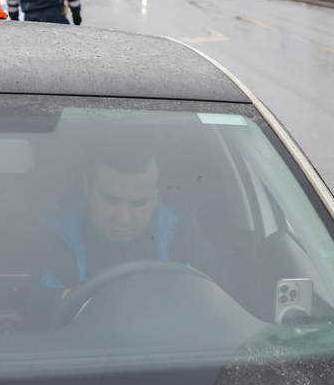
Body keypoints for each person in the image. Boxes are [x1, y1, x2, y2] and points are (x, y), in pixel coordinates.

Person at [31, 138, 219, 325]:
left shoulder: (183, 237)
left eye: (139, 203)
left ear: (158, 195)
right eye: (111, 201)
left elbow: (226, 307)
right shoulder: (46, 235)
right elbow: (7, 298)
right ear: (87, 185)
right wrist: (53, 301)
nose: (123, 219)